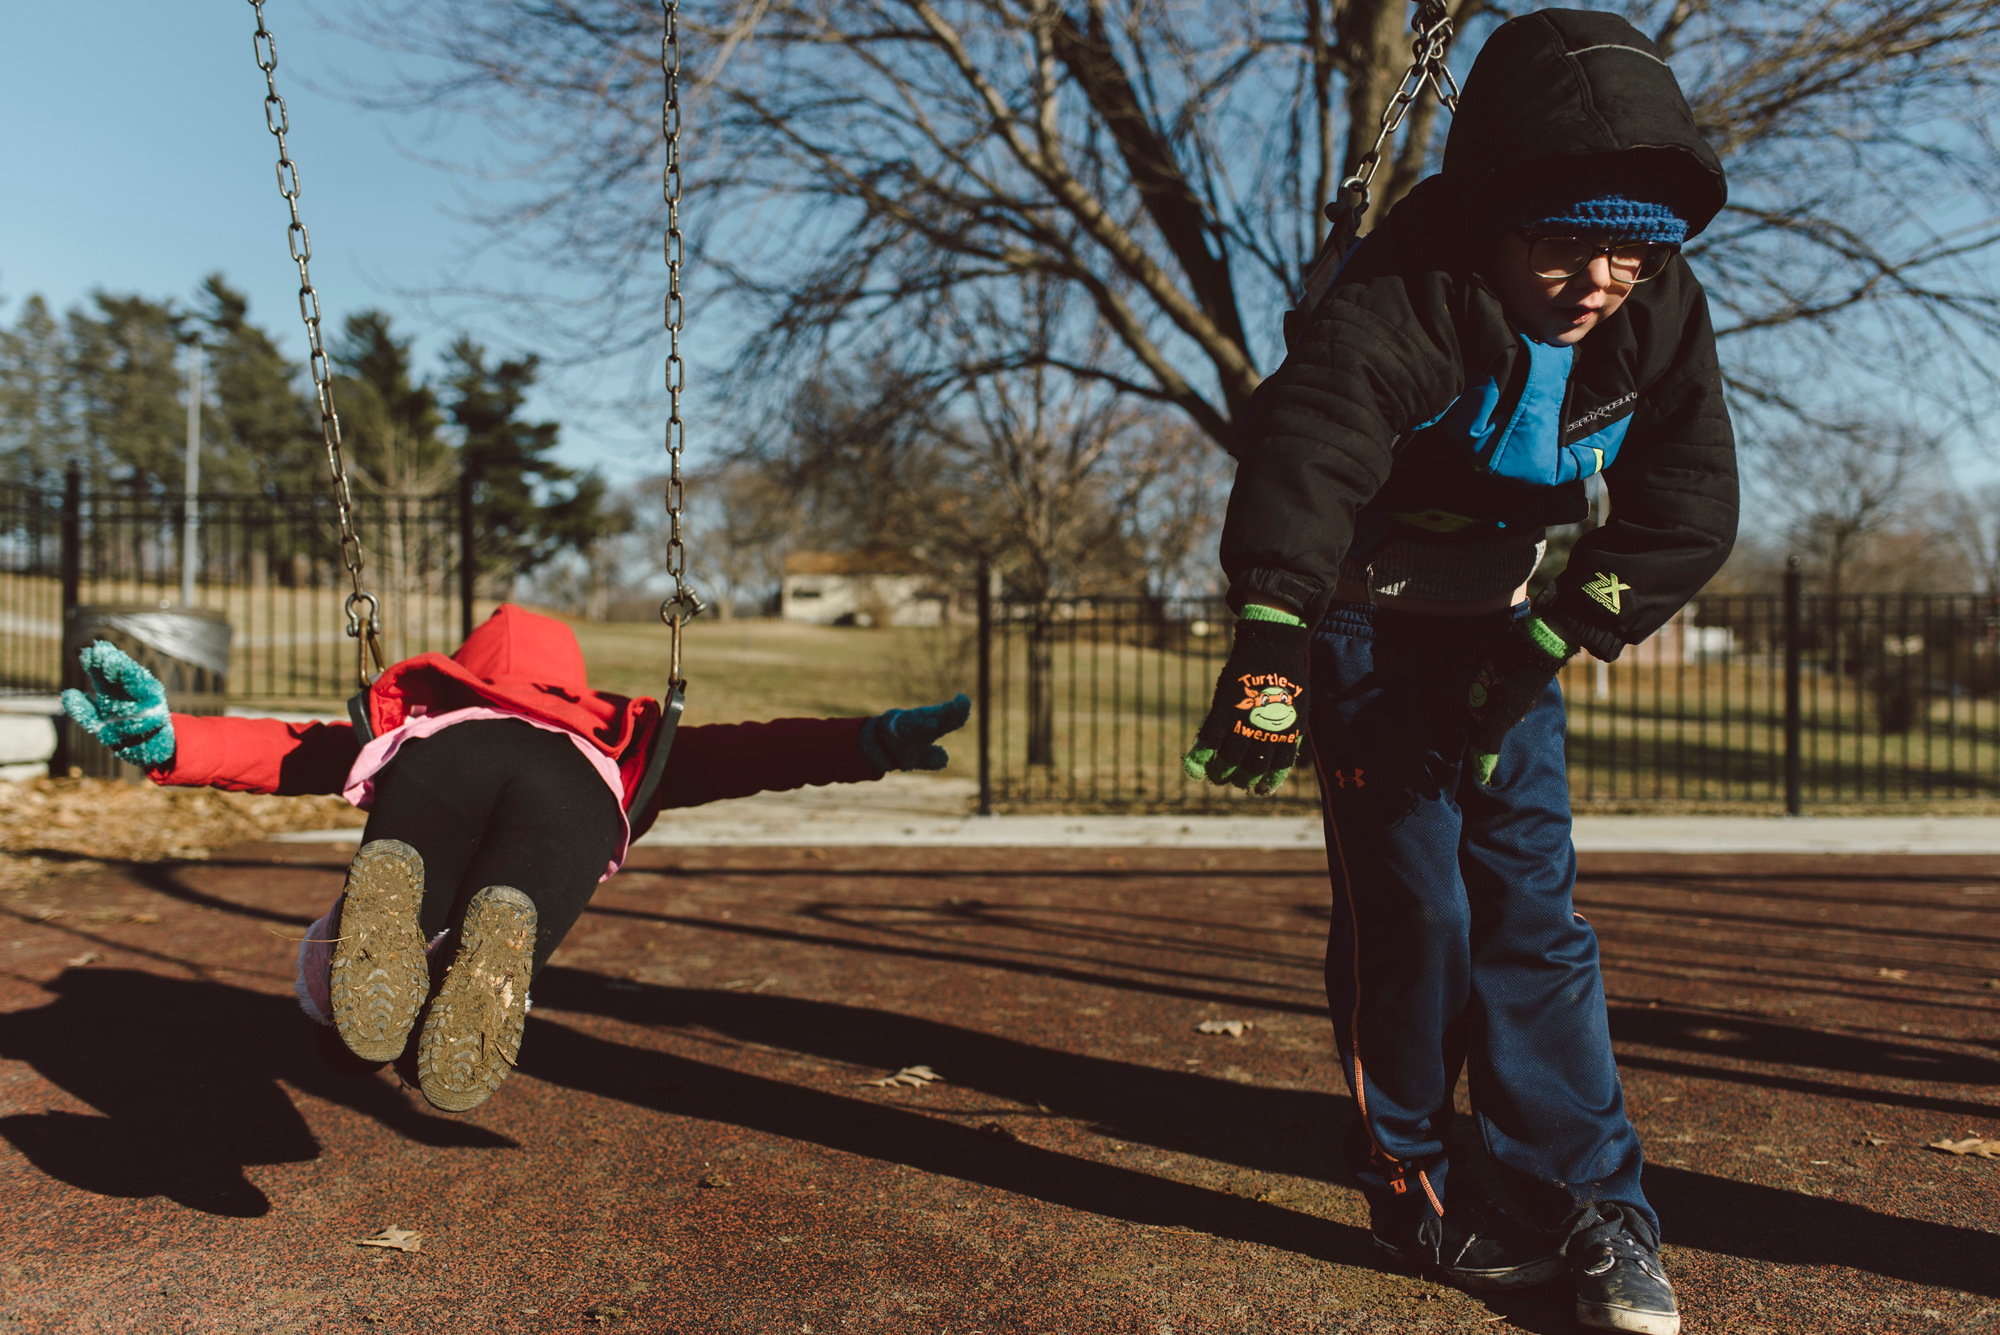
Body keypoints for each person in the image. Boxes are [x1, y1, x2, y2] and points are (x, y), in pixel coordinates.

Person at [1184, 10, 1735, 1334]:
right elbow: (1312, 446)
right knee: (1417, 911)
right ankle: (1416, 1173)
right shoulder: (1408, 288)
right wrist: (1271, 639)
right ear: (1492, 222)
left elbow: (1688, 502)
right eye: (1564, 243)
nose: (1600, 278)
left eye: (1632, 248)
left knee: (1533, 912)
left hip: (1503, 628)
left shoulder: (1655, 307)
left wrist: (1549, 640)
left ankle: (1591, 1199)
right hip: (1364, 626)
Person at [62, 603, 968, 1115]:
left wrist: (172, 739)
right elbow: (756, 752)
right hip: (576, 790)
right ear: (572, 681)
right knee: (512, 909)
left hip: (445, 763)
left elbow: (285, 750)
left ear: (468, 671)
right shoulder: (612, 741)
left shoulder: (436, 717)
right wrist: (869, 739)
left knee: (363, 983)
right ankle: (498, 944)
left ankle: (405, 931)